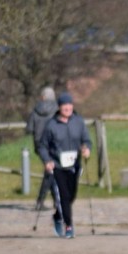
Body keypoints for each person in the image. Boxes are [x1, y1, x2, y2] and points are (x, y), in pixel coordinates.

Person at [37, 92, 91, 239]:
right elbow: (42, 146)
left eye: (69, 105)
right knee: (64, 197)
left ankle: (57, 216)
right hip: (58, 166)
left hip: (74, 165)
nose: (67, 108)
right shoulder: (51, 125)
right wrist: (47, 160)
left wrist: (86, 148)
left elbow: (86, 139)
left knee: (71, 196)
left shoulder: (78, 121)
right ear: (59, 107)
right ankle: (69, 226)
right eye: (64, 105)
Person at [25, 86, 58, 210]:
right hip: (53, 143)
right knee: (50, 172)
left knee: (51, 171)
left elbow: (29, 129)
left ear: (43, 96)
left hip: (39, 144)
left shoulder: (35, 111)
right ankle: (41, 200)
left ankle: (55, 200)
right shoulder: (56, 110)